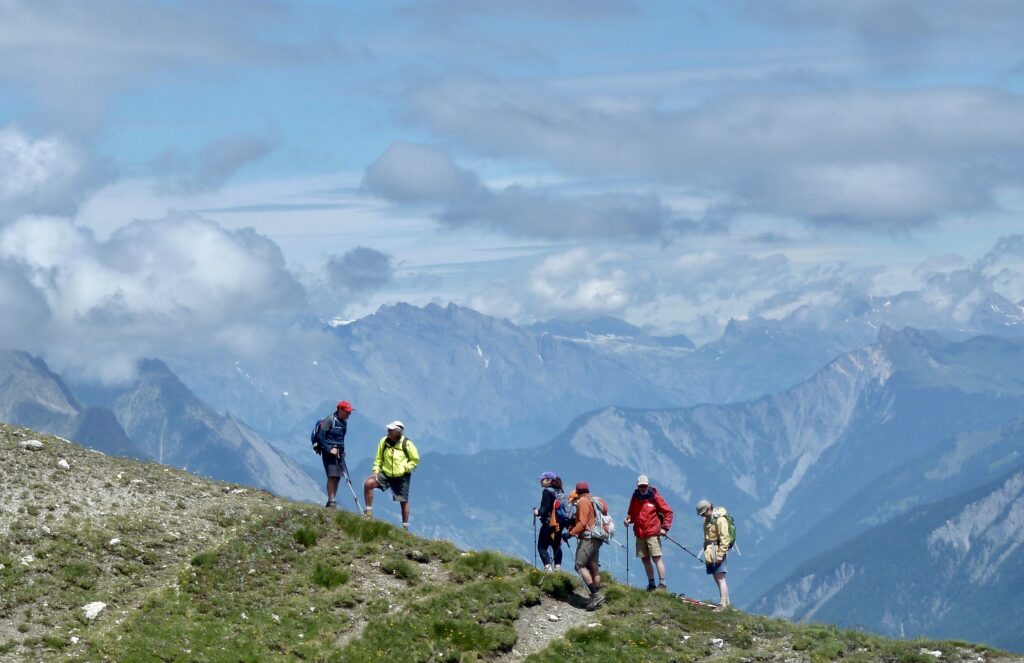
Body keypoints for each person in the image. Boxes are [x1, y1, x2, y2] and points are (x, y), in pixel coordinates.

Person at [363, 421, 419, 529]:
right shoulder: (383, 442)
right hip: (386, 473)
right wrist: (376, 470)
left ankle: (405, 527)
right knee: (368, 484)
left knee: (403, 500)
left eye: (391, 430)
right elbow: (379, 458)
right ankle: (369, 512)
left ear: (398, 432)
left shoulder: (406, 444)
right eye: (388, 429)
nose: (388, 431)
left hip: (401, 476)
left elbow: (415, 459)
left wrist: (406, 468)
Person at [624, 474, 674, 591]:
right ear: (637, 486)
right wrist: (628, 520)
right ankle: (651, 584)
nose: (643, 488)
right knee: (645, 559)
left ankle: (662, 584)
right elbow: (632, 514)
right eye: (641, 486)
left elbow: (668, 512)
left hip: (652, 532)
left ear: (648, 485)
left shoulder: (654, 496)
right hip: (640, 533)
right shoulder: (635, 496)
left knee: (656, 558)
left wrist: (665, 528)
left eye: (644, 486)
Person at [567, 482, 611, 611]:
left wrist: (570, 533)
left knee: (580, 565)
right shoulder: (593, 500)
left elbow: (582, 523)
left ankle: (595, 595)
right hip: (598, 537)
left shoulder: (583, 502)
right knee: (593, 566)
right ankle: (596, 598)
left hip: (588, 538)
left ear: (577, 491)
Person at [316, 400, 353, 508]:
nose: (349, 414)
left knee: (338, 476)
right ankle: (331, 500)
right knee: (332, 475)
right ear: (340, 410)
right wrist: (329, 449)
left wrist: (342, 451)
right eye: (347, 412)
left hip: (339, 452)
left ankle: (332, 499)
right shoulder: (330, 420)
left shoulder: (344, 422)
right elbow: (321, 436)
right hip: (329, 452)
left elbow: (341, 438)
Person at [696, 499, 732, 608]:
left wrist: (720, 554)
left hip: (718, 551)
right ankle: (726, 603)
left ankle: (722, 604)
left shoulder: (720, 520)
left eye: (703, 513)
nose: (702, 515)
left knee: (720, 577)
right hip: (710, 551)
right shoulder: (707, 520)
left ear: (709, 509)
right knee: (716, 577)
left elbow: (725, 539)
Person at [532, 472, 564, 572]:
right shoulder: (560, 492)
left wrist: (537, 512)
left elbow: (544, 509)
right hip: (559, 524)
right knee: (556, 546)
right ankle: (557, 569)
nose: (540, 481)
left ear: (549, 480)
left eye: (542, 479)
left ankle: (548, 570)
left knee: (541, 547)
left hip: (549, 523)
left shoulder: (547, 491)